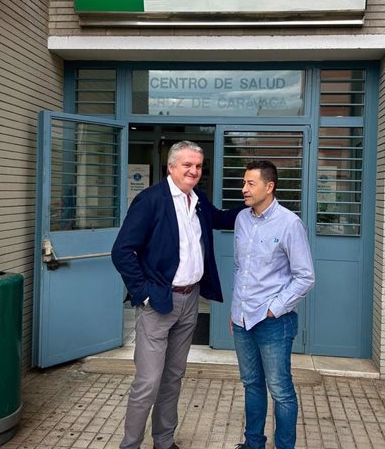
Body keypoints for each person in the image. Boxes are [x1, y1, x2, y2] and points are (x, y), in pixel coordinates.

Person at [112, 140, 242, 449]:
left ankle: (164, 441)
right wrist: (143, 294)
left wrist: (258, 203)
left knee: (173, 378)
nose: (194, 171)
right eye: (187, 165)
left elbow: (223, 219)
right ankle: (129, 445)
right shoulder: (151, 201)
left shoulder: (197, 200)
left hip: (190, 300)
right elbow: (122, 251)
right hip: (158, 302)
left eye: (198, 166)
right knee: (148, 383)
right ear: (171, 167)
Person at [230, 160, 315, 449]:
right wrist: (236, 310)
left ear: (269, 186)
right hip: (243, 321)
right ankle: (253, 443)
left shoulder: (290, 223)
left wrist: (273, 308)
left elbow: (305, 277)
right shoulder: (242, 219)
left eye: (250, 183)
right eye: (244, 183)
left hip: (274, 323)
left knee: (281, 391)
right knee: (252, 385)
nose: (244, 189)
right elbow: (241, 269)